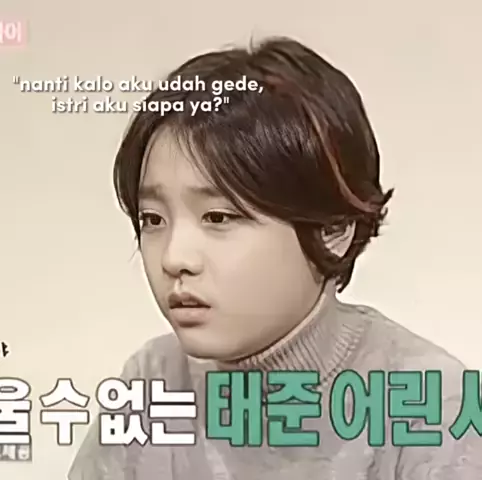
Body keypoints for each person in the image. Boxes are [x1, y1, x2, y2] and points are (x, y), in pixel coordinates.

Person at [68, 36, 482, 479]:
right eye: (153, 219)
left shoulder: (430, 406)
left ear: (333, 229)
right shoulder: (155, 382)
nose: (174, 258)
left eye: (218, 217)